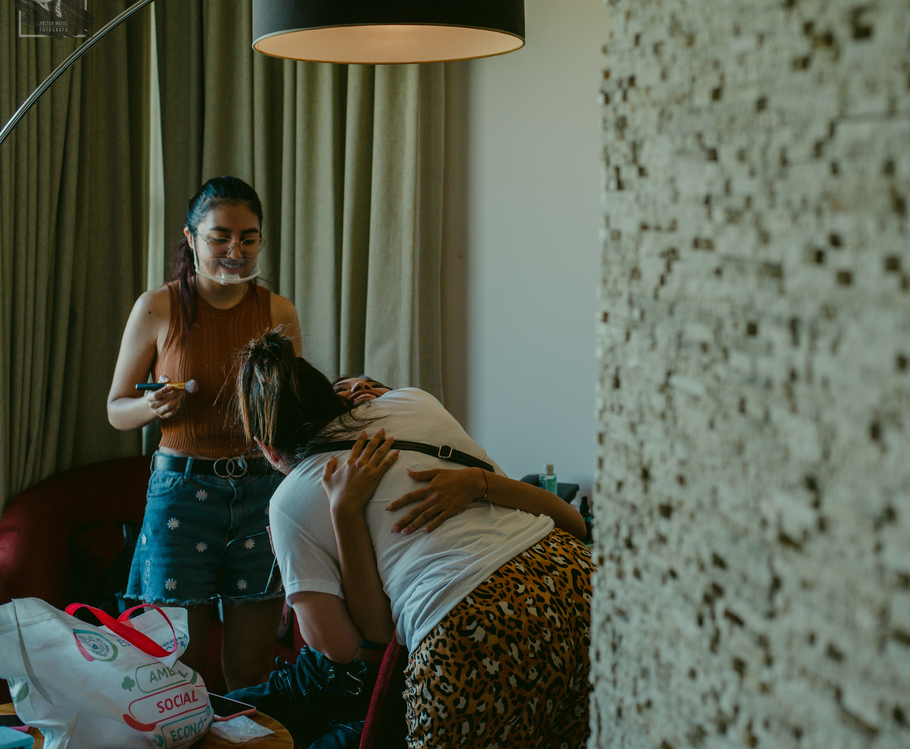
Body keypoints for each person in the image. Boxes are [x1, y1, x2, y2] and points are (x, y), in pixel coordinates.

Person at [233, 329, 593, 748]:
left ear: (268, 450)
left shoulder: (290, 499)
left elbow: (343, 648)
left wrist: (328, 528)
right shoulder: (416, 401)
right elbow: (574, 524)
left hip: (470, 623)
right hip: (577, 584)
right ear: (337, 401)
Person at [106, 176, 302, 689]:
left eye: (248, 238)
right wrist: (150, 405)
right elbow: (116, 410)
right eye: (220, 237)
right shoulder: (158, 307)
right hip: (181, 493)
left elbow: (292, 413)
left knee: (252, 671)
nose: (235, 251)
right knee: (176, 670)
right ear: (191, 238)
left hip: (261, 491)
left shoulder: (277, 311)